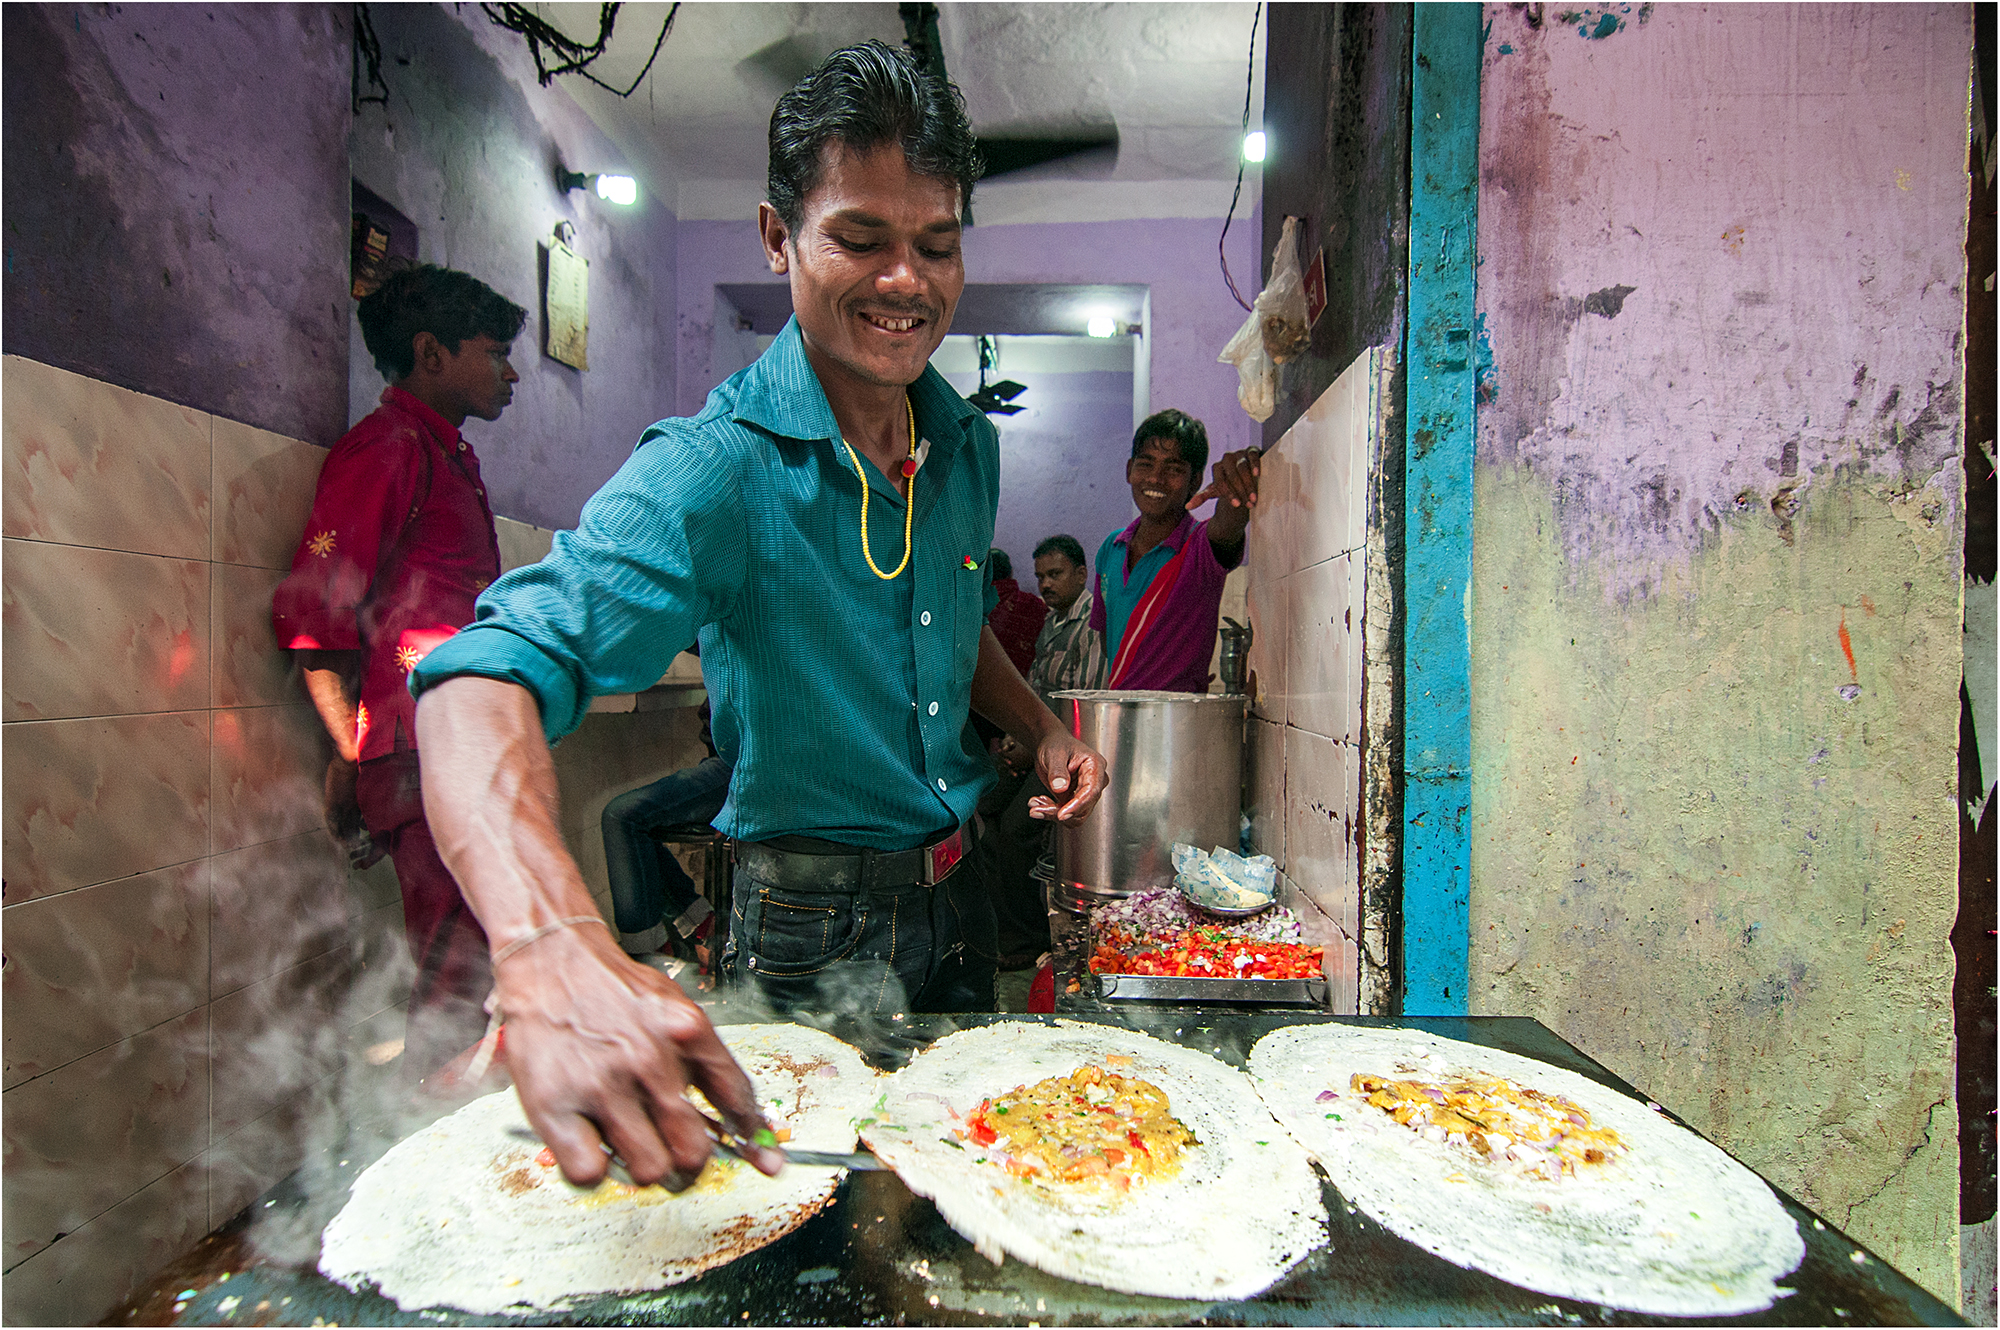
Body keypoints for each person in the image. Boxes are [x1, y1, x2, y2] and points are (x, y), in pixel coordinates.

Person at [404, 41, 1106, 1191]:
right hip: (802, 931)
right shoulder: (715, 469)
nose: (905, 282)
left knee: (958, 1207)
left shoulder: (964, 443)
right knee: (800, 1237)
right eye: (859, 239)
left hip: (959, 898)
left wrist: (1041, 728)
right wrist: (546, 942)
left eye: (936, 245)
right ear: (777, 237)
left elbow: (950, 620)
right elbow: (479, 678)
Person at [269, 263, 525, 1084]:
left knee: (481, 951)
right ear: (431, 352)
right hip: (414, 748)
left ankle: (461, 1141)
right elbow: (317, 616)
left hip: (453, 739)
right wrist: (351, 752)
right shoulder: (387, 448)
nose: (511, 372)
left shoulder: (442, 451)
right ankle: (428, 1151)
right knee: (459, 966)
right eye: (494, 353)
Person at [1091, 409, 1262, 693]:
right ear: (1129, 470)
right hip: (1121, 717)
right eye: (1146, 464)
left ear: (1195, 481)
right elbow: (1109, 643)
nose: (1156, 479)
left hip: (1179, 727)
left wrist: (1239, 478)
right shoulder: (1111, 547)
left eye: (1173, 469)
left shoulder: (1200, 547)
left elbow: (1228, 523)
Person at [1026, 533, 1105, 708]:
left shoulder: (1092, 623)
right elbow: (1034, 684)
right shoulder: (1052, 618)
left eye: (1055, 574)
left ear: (1081, 575)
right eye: (1040, 577)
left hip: (1069, 730)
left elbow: (1087, 702)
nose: (1045, 584)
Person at [983, 548, 1048, 676]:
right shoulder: (1034, 604)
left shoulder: (978, 608)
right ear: (1011, 572)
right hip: (1028, 685)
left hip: (984, 686)